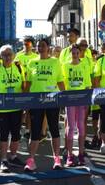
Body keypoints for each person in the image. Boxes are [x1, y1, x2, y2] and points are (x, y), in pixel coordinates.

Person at [24, 38, 65, 172]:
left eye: (42, 46)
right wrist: (25, 101)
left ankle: (57, 159)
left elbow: (60, 81)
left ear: (48, 48)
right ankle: (30, 161)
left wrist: (65, 98)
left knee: (54, 129)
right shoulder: (31, 62)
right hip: (36, 102)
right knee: (35, 132)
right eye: (38, 46)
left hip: (52, 100)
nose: (40, 48)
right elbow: (28, 84)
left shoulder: (55, 62)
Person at [0, 45, 25, 172]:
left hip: (16, 107)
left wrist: (25, 106)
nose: (7, 57)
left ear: (14, 55)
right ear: (0, 56)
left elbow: (24, 86)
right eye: (4, 55)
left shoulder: (19, 67)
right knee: (4, 133)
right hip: (1, 108)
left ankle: (13, 156)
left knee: (16, 133)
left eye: (9, 54)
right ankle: (3, 160)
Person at [62, 43, 92, 166]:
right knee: (70, 127)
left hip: (81, 99)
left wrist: (86, 100)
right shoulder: (65, 66)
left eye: (76, 53)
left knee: (81, 126)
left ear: (80, 54)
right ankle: (69, 155)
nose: (74, 55)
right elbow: (62, 83)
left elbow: (88, 84)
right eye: (73, 53)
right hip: (70, 99)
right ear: (70, 54)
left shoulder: (84, 65)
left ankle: (80, 153)